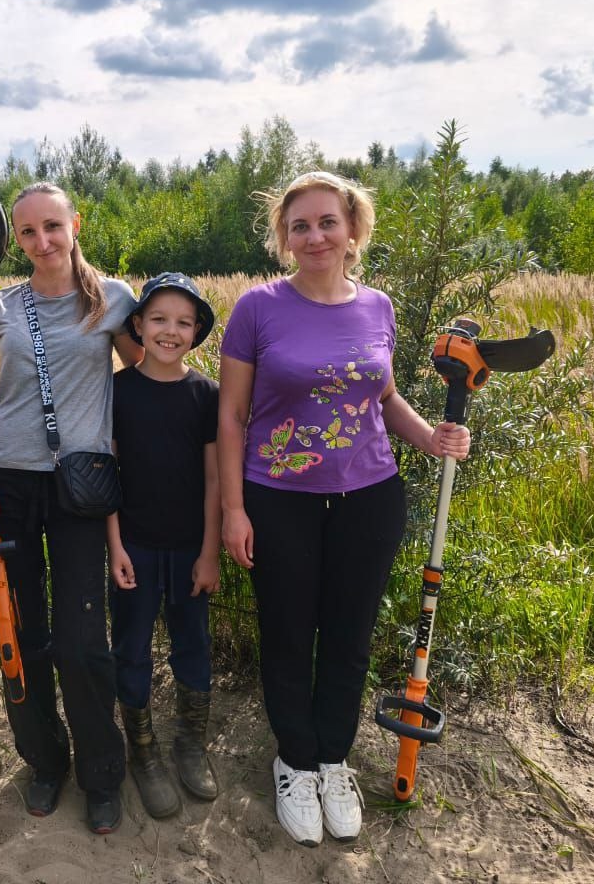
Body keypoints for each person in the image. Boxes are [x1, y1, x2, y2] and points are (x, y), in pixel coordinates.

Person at [218, 171, 470, 847]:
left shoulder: (377, 308)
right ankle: (295, 763)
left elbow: (382, 399)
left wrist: (431, 437)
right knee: (288, 634)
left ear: (353, 229)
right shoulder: (257, 309)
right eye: (299, 225)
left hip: (369, 498)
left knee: (349, 637)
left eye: (328, 221)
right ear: (284, 237)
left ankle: (333, 758)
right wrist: (234, 511)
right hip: (279, 499)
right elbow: (232, 416)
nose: (315, 236)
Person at [0, 181, 141, 834]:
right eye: (28, 232)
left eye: (52, 226)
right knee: (20, 633)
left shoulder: (114, 299)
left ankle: (102, 772)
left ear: (74, 224)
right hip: (7, 483)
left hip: (81, 487)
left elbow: (147, 376)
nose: (42, 242)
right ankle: (44, 759)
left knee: (83, 642)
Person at [108, 272, 222, 819]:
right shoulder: (117, 391)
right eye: (158, 319)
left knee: (192, 646)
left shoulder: (205, 395)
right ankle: (144, 751)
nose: (169, 331)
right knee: (131, 649)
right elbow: (106, 474)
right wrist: (114, 546)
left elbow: (215, 480)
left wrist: (210, 552)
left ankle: (190, 744)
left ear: (197, 331)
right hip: (134, 547)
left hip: (189, 549)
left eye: (183, 322)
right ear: (137, 325)